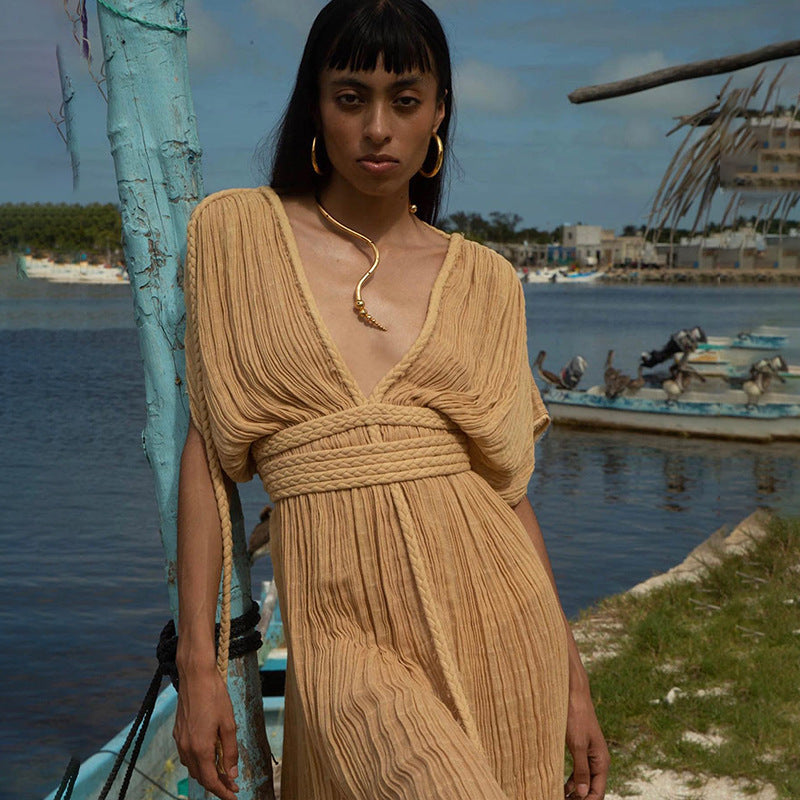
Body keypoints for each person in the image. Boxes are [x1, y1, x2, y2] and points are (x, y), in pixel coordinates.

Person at [173, 1, 610, 798]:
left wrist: (574, 685)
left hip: (501, 619)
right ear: (316, 104)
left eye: (404, 100)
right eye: (351, 97)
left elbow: (507, 493)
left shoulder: (483, 281)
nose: (378, 128)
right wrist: (196, 668)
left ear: (438, 113)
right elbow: (208, 457)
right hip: (338, 626)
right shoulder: (236, 236)